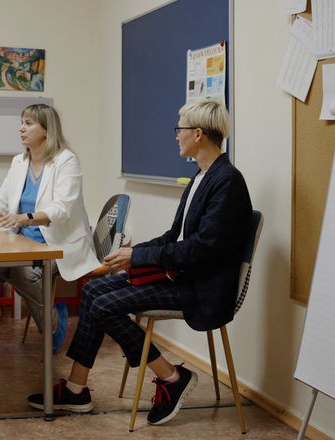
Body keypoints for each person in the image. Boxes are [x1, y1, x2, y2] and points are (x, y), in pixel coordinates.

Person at [28, 99, 252, 426]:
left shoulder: (227, 181)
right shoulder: (201, 177)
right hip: (182, 275)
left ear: (198, 134)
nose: (176, 135)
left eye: (180, 129)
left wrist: (138, 256)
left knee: (104, 306)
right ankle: (76, 389)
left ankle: (172, 378)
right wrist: (131, 254)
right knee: (92, 292)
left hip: (200, 288)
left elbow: (201, 249)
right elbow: (175, 237)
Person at [0, 103, 101, 366]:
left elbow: (62, 208)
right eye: (22, 122)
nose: (21, 128)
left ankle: (52, 323)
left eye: (29, 123)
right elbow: (0, 201)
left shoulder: (66, 161)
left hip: (59, 245)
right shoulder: (19, 162)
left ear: (47, 129)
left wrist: (25, 217)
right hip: (22, 243)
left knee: (16, 270)